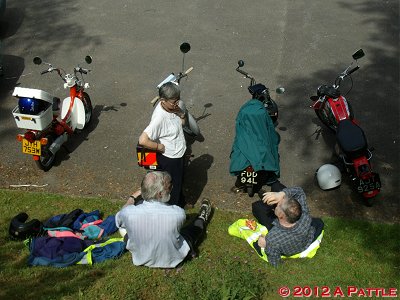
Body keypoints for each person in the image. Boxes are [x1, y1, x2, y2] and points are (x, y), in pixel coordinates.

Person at [115, 171, 212, 268]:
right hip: (173, 259)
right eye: (169, 186)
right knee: (193, 229)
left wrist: (132, 198)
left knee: (124, 229)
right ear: (160, 194)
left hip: (141, 258)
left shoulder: (128, 213)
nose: (172, 188)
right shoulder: (178, 212)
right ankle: (202, 217)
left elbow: (119, 220)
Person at [139, 82, 187, 208]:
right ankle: (173, 208)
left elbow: (181, 123)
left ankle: (180, 201)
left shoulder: (171, 108)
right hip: (170, 158)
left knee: (179, 180)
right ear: (162, 100)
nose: (177, 104)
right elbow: (143, 140)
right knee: (172, 185)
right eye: (174, 102)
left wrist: (181, 113)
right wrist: (159, 147)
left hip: (178, 153)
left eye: (178, 100)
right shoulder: (159, 118)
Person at [252, 186, 324, 267]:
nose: (276, 204)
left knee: (257, 206)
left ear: (280, 215)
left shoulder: (272, 238)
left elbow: (275, 262)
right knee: (277, 188)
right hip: (305, 241)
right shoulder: (305, 216)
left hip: (284, 242)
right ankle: (277, 189)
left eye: (277, 205)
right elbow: (299, 192)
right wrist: (281, 194)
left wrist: (265, 245)